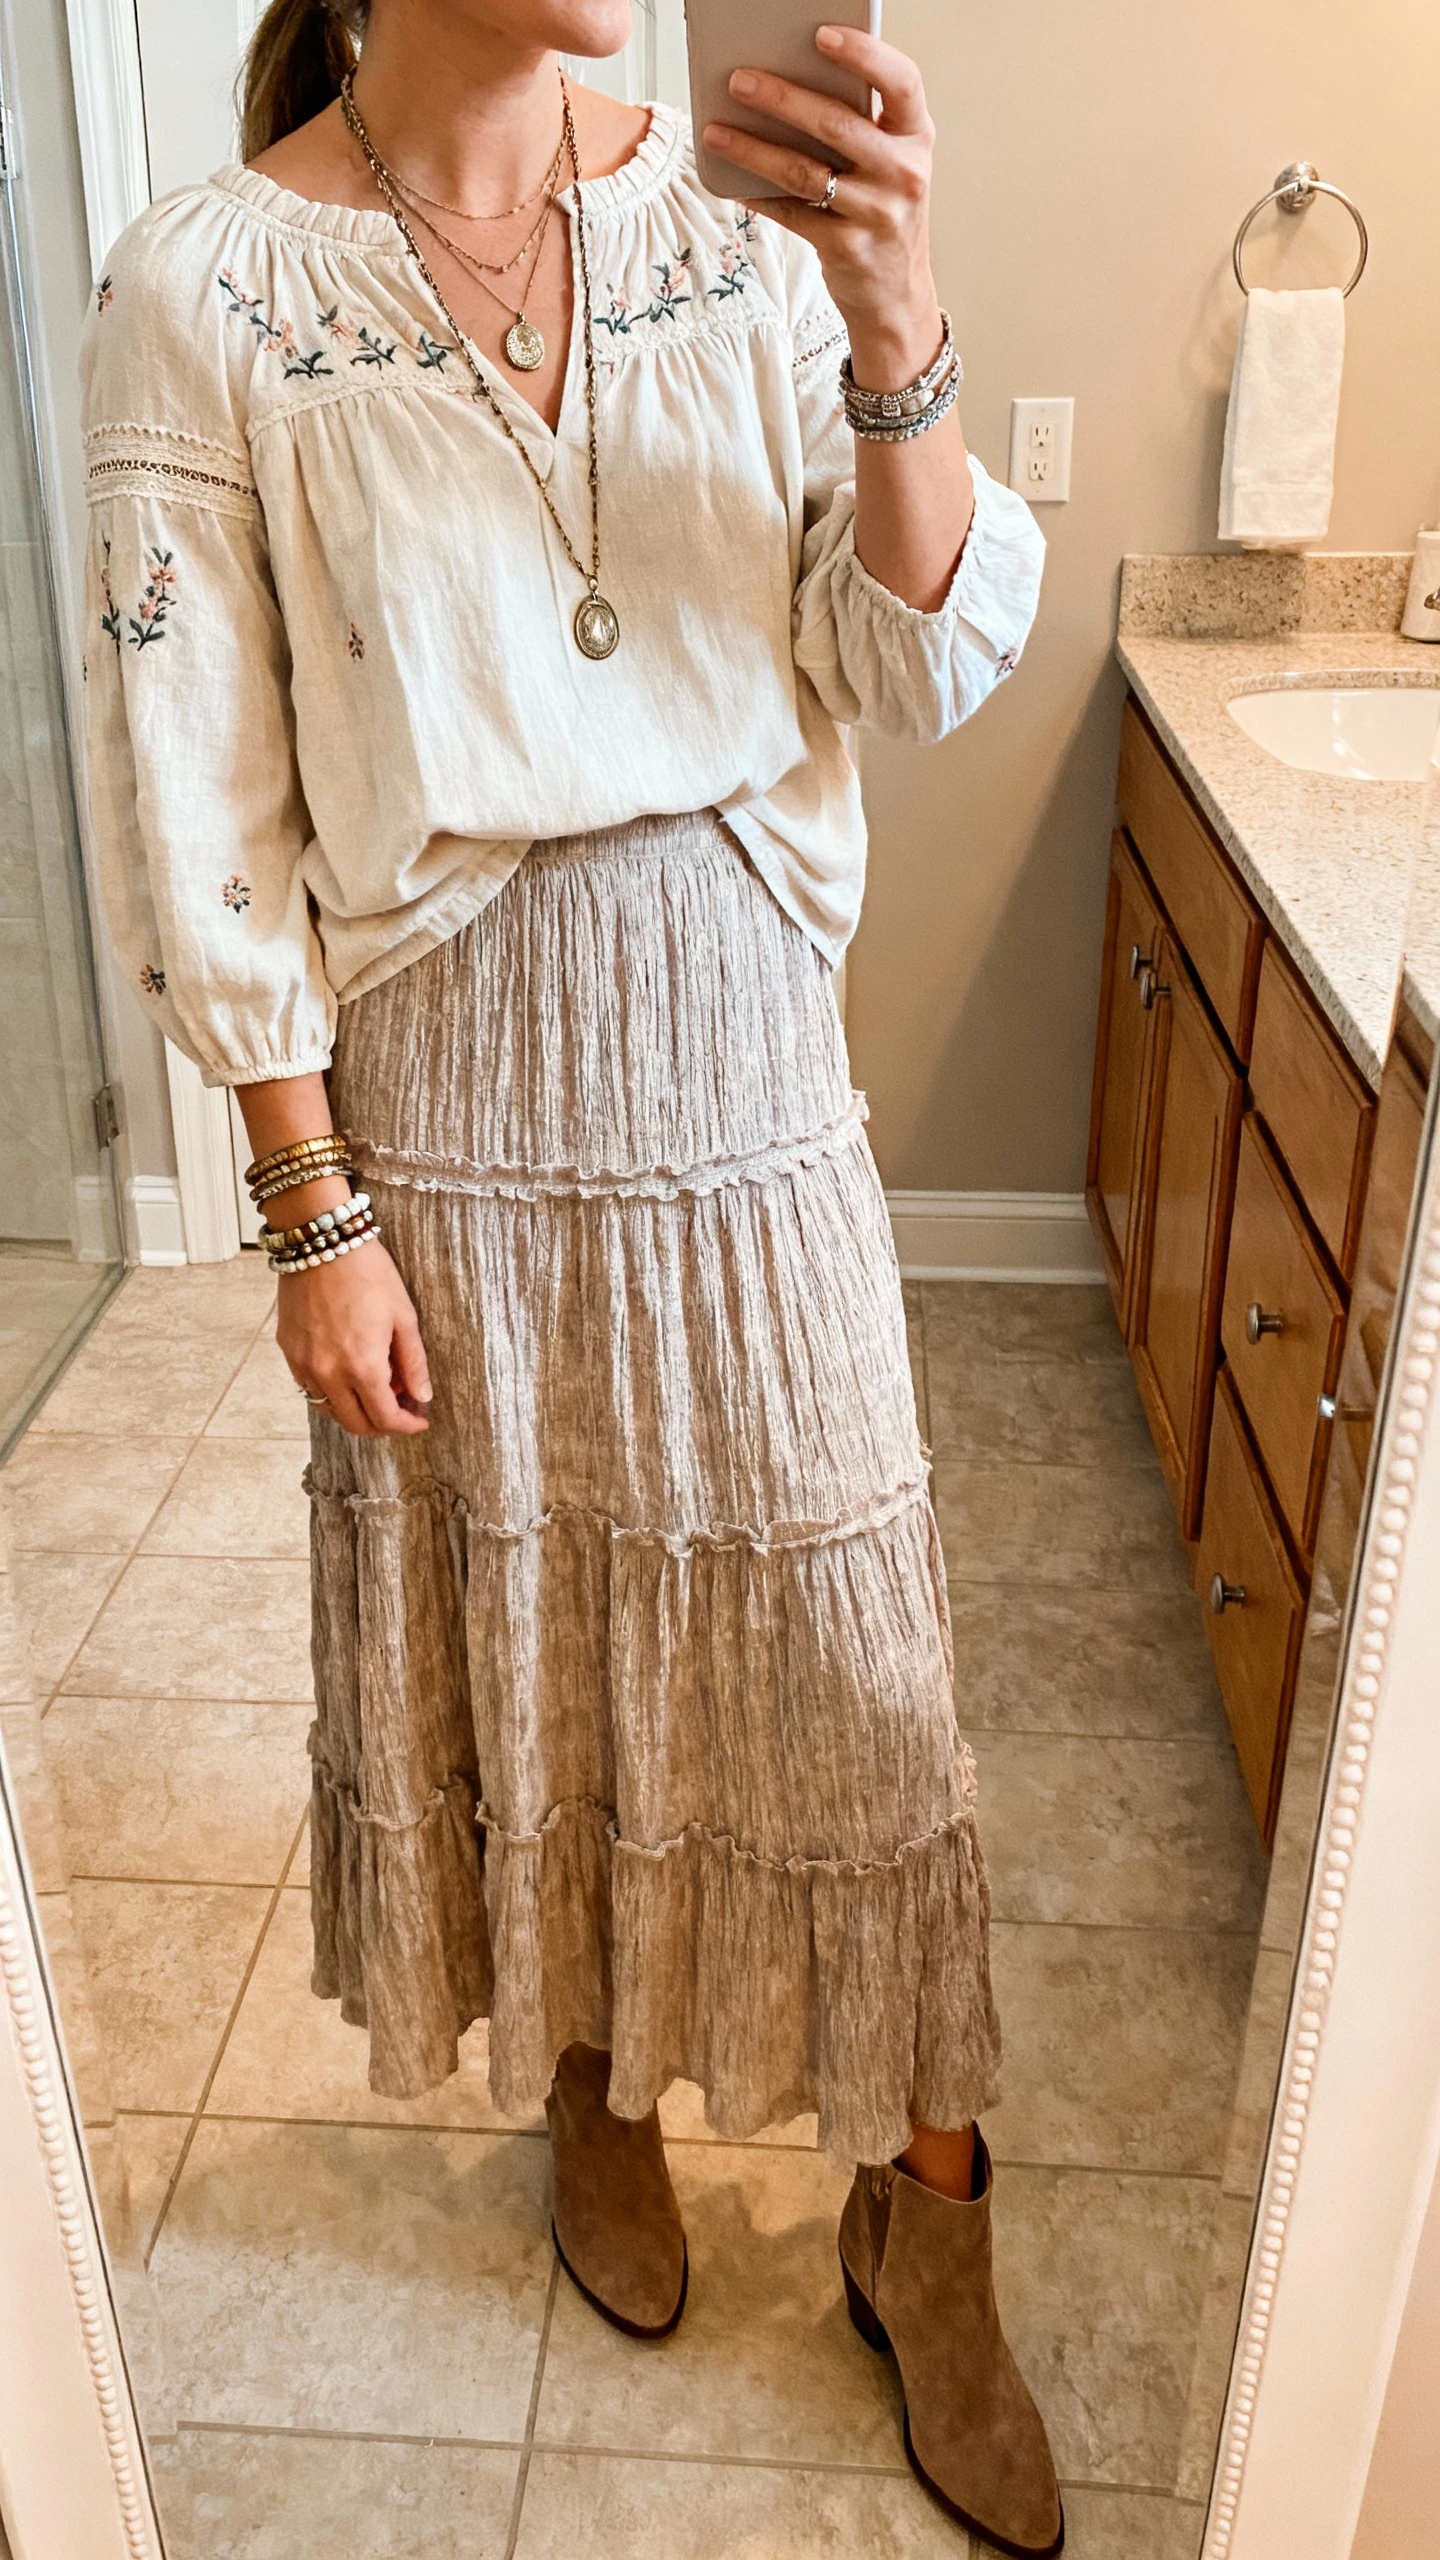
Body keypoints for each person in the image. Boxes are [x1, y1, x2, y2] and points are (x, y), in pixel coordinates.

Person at [80, 1, 1058, 2544]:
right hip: (449, 1098)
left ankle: (930, 2219)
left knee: (864, 1676)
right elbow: (206, 795)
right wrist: (310, 1210)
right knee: (540, 1628)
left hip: (742, 1058)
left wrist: (898, 321)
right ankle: (595, 2083)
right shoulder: (204, 282)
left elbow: (914, 655)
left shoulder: (742, 229)